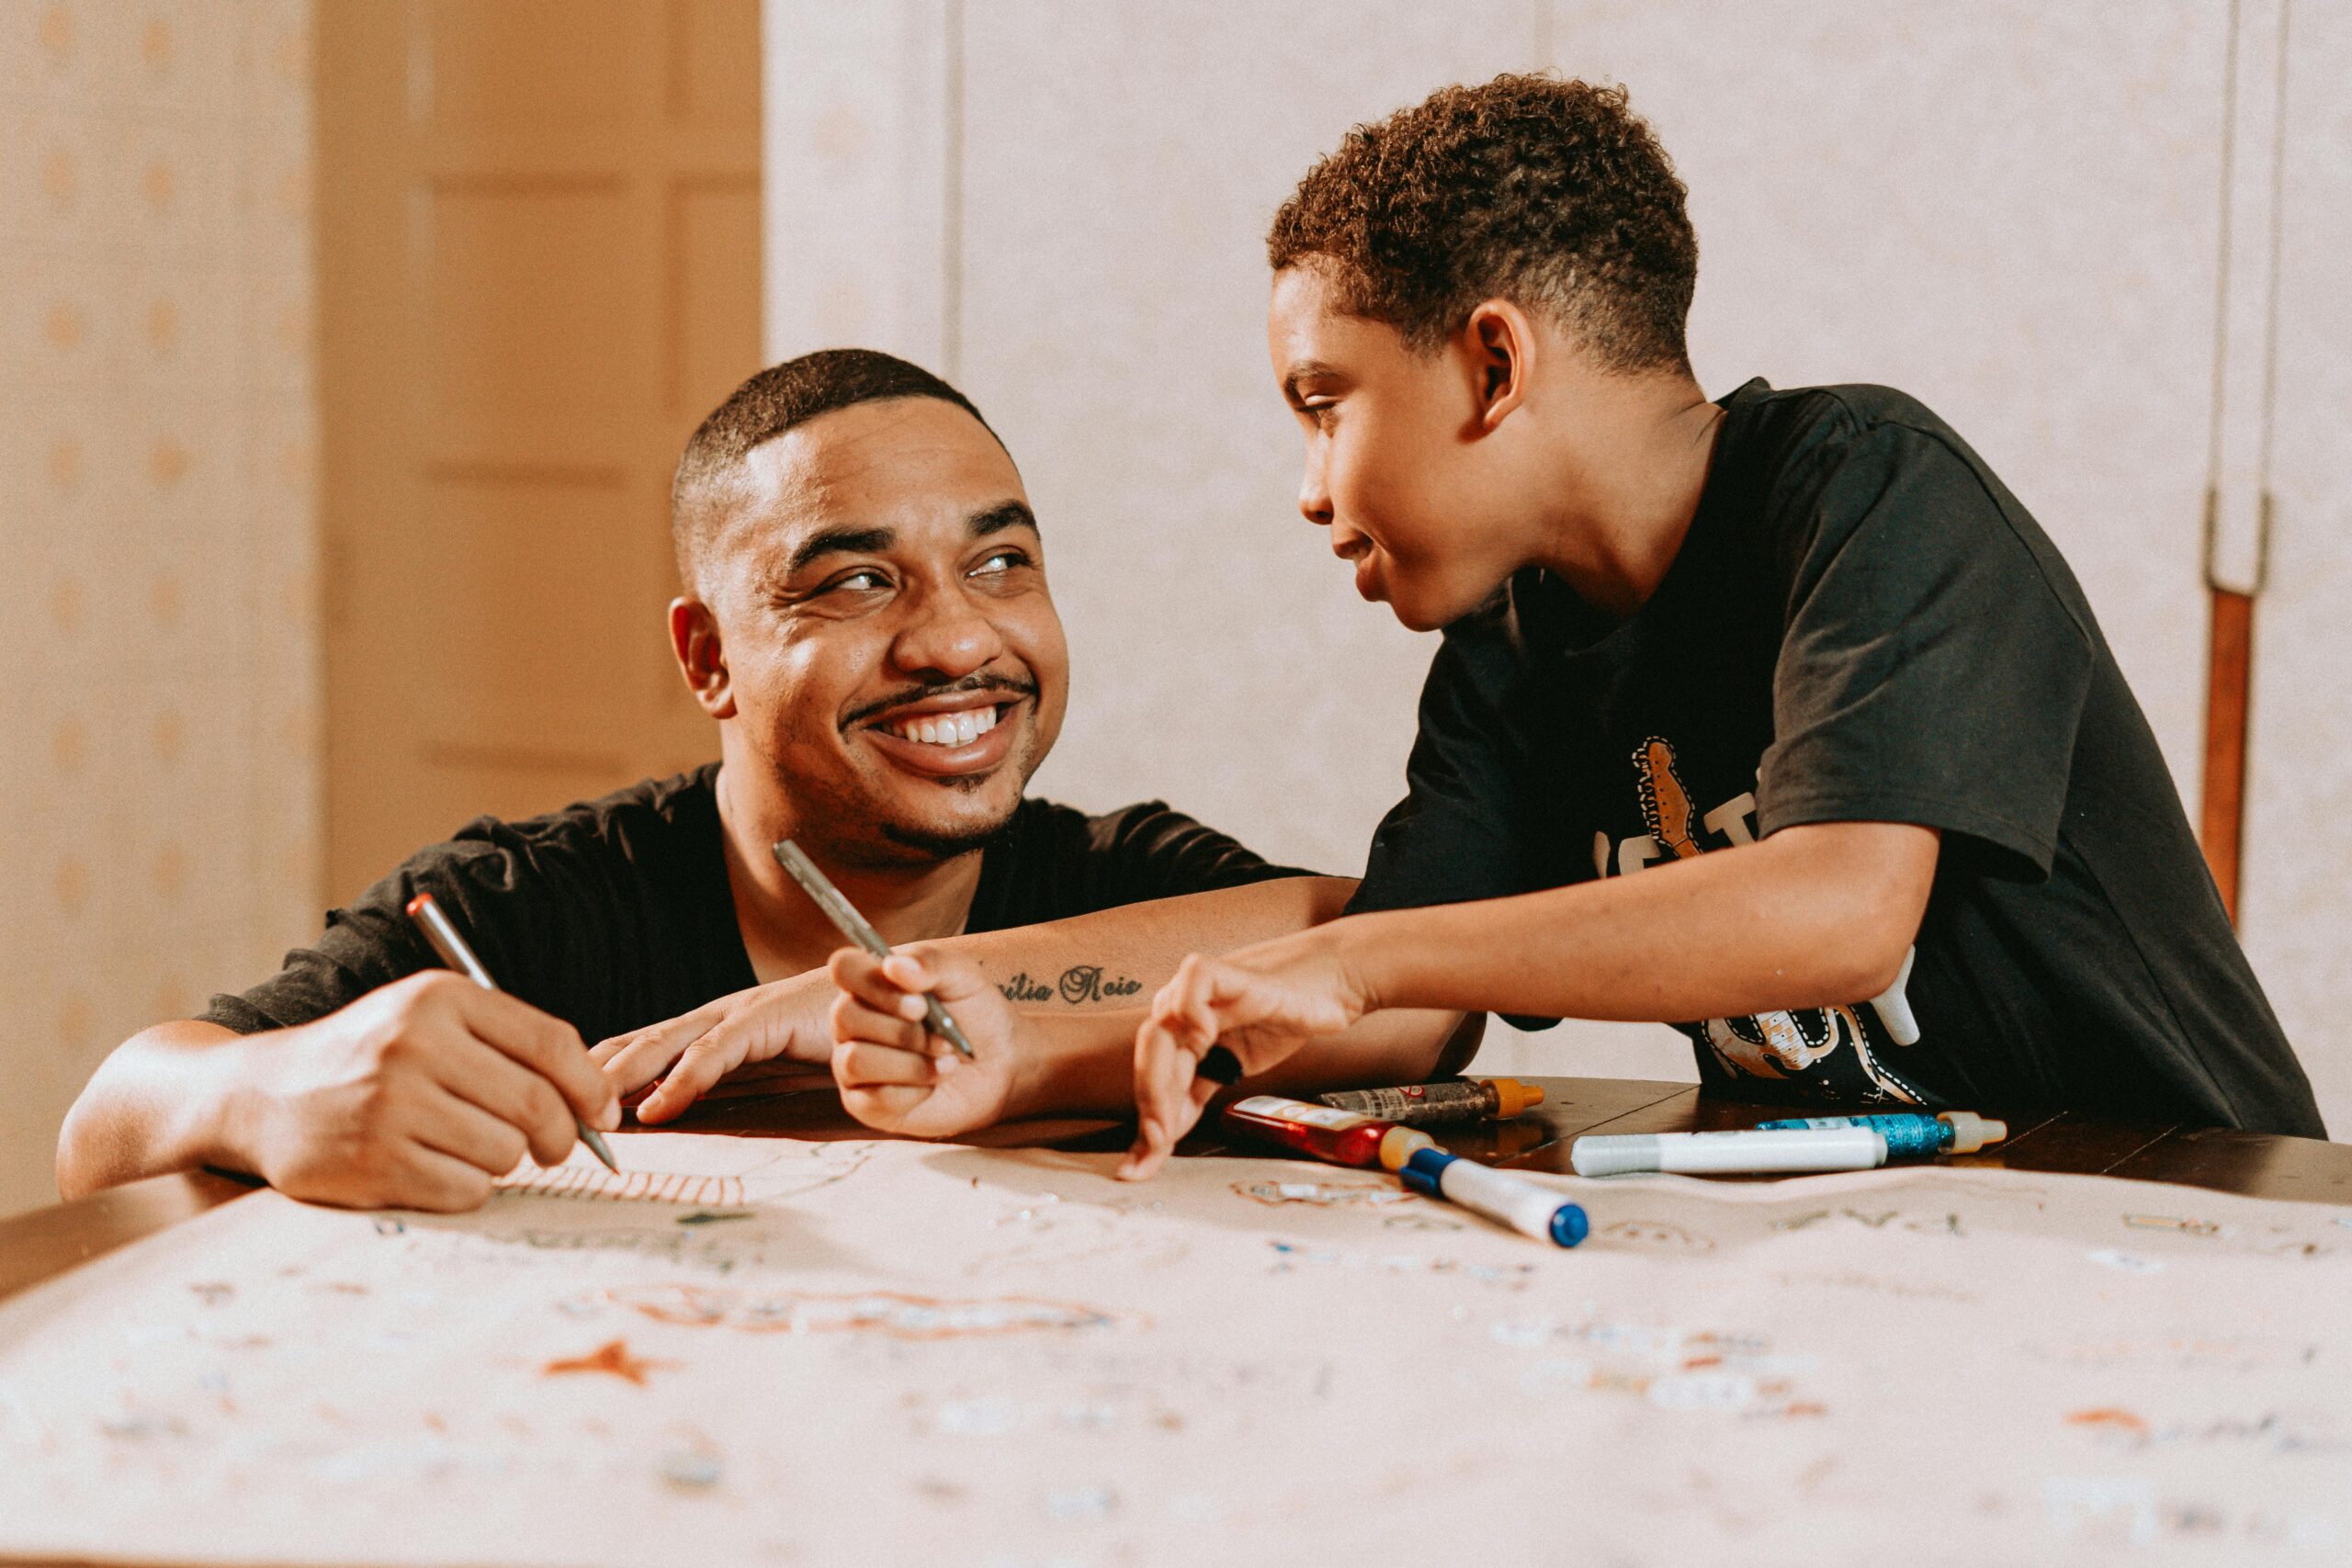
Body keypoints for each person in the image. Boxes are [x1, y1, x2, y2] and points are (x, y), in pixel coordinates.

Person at [830, 74, 2323, 1177]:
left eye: (1321, 405)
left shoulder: (1864, 483)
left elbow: (1840, 902)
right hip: (1921, 1241)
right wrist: (1015, 1031)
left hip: (2192, 1212)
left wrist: (1365, 967)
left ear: (1492, 363)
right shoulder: (1510, 645)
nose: (1307, 489)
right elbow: (1401, 992)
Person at [56, 349, 1472, 1211]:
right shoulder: (534, 909)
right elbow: (107, 1126)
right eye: (857, 581)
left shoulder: (1116, 881)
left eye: (1001, 563)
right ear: (710, 656)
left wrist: (910, 1013)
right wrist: (281, 1090)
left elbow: (1417, 993)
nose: (960, 640)